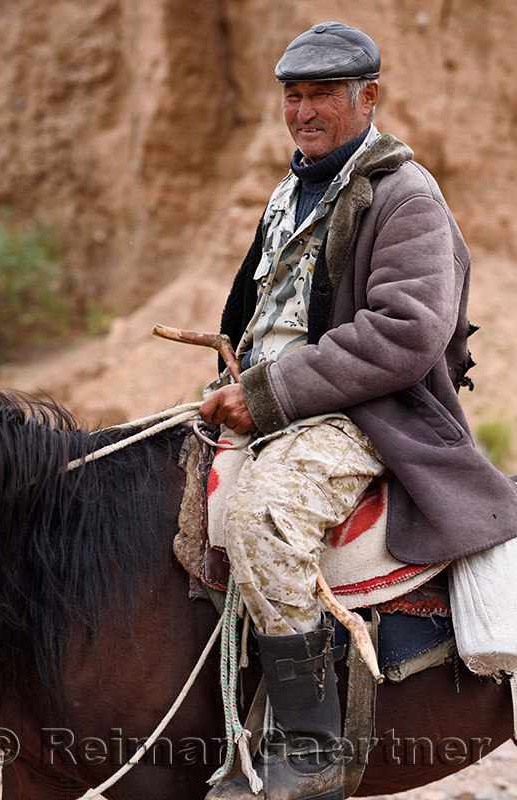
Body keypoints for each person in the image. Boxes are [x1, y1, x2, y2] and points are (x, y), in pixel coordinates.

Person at [200, 21, 517, 800]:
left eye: (322, 96)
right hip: (279, 403)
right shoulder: (295, 185)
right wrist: (229, 382)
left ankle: (308, 748)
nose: (303, 111)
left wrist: (269, 394)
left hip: (369, 414)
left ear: (367, 97)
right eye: (294, 96)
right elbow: (263, 310)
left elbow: (406, 333)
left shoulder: (406, 195)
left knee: (262, 518)